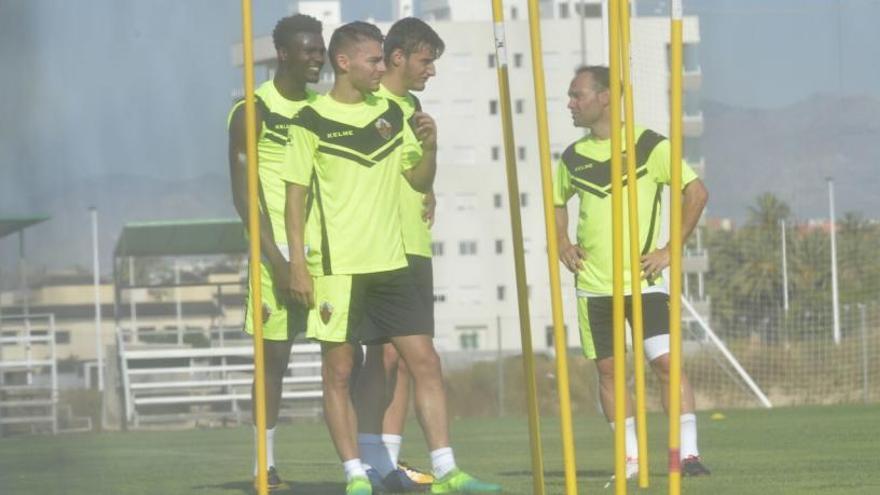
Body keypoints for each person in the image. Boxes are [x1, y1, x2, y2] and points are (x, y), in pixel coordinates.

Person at [282, 21, 500, 495]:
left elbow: (418, 182)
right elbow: (294, 198)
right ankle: (356, 475)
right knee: (340, 371)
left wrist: (431, 147)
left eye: (384, 59)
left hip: (392, 265)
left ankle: (446, 471)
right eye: (374, 60)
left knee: (424, 360)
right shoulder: (309, 120)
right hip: (337, 269)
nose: (383, 67)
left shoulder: (392, 113)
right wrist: (298, 264)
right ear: (345, 63)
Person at [553, 66, 711, 481]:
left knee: (665, 363)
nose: (569, 103)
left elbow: (696, 193)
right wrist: (562, 244)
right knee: (608, 371)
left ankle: (687, 455)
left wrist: (668, 251)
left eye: (577, 95)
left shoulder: (648, 145)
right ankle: (630, 460)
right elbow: (557, 202)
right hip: (594, 286)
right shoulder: (572, 156)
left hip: (646, 282)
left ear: (605, 97)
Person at [227, 13, 325, 492]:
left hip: (325, 252)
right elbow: (245, 197)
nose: (317, 57)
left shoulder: (323, 108)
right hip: (274, 255)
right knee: (274, 361)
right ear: (282, 53)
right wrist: (280, 261)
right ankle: (263, 467)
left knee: (348, 356)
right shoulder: (253, 110)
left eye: (320, 49)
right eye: (308, 50)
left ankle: (366, 461)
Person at [352, 17, 444, 493]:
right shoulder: (368, 104)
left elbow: (418, 175)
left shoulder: (414, 106)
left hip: (415, 245)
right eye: (426, 61)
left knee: (406, 360)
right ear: (397, 57)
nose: (431, 71)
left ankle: (389, 463)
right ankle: (371, 460)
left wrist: (431, 173)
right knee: (380, 358)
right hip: (379, 247)